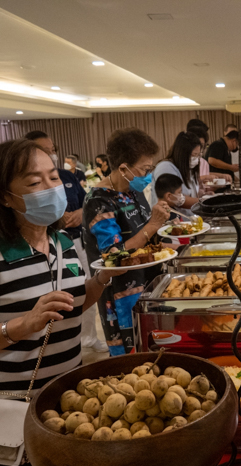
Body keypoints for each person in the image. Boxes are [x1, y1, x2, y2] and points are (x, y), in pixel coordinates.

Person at [0, 139, 122, 466]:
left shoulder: (62, 243)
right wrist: (24, 324)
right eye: (34, 182)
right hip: (12, 407)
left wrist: (102, 279)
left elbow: (72, 304)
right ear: (5, 196)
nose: (51, 188)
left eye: (53, 176)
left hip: (67, 400)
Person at [83, 128, 170, 356]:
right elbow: (113, 257)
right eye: (145, 169)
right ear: (123, 168)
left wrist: (165, 238)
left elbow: (144, 235)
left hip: (148, 285)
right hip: (122, 295)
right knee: (133, 362)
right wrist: (153, 224)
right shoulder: (98, 201)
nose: (148, 176)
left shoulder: (133, 191)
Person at [25, 131, 105, 352]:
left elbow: (86, 202)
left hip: (72, 242)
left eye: (52, 151)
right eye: (44, 151)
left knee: (77, 289)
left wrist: (80, 213)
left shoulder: (67, 176)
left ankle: (87, 337)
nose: (51, 155)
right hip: (42, 243)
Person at [151, 131, 202, 214]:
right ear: (183, 154)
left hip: (188, 219)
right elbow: (174, 199)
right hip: (170, 219)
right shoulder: (166, 167)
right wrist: (203, 202)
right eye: (194, 155)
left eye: (198, 155)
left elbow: (191, 193)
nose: (197, 158)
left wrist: (202, 194)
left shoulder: (188, 168)